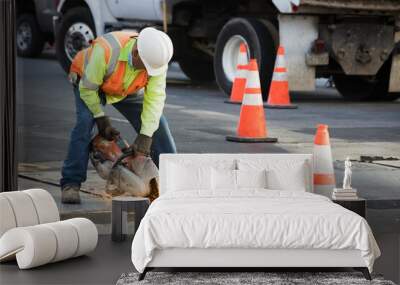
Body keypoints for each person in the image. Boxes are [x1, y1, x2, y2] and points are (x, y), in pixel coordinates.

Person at [60, 27, 177, 204]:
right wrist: (100, 118)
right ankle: (71, 183)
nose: (148, 72)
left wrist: (145, 136)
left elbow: (155, 99)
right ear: (136, 53)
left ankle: (173, 183)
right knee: (85, 124)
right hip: (90, 83)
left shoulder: (157, 60)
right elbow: (87, 88)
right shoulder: (106, 51)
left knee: (158, 125)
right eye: (145, 67)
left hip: (126, 88)